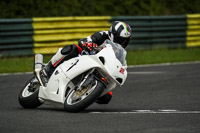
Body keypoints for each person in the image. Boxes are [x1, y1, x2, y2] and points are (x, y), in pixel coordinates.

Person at [40, 21, 132, 104]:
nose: (122, 42)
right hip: (84, 58)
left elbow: (120, 63)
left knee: (107, 97)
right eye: (120, 39)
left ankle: (88, 92)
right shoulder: (102, 35)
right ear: (112, 35)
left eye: (125, 40)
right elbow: (83, 41)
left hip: (99, 68)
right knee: (72, 49)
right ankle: (48, 69)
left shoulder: (120, 51)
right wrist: (89, 44)